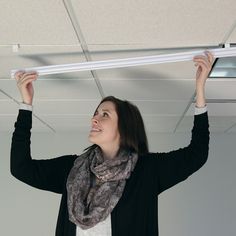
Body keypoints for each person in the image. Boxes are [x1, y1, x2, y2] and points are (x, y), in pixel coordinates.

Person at [10, 52, 214, 236]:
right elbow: (21, 168)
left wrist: (199, 90)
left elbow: (196, 154)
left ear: (124, 127)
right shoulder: (72, 170)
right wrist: (26, 105)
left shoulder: (147, 171)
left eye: (104, 114)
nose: (94, 119)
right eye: (95, 113)